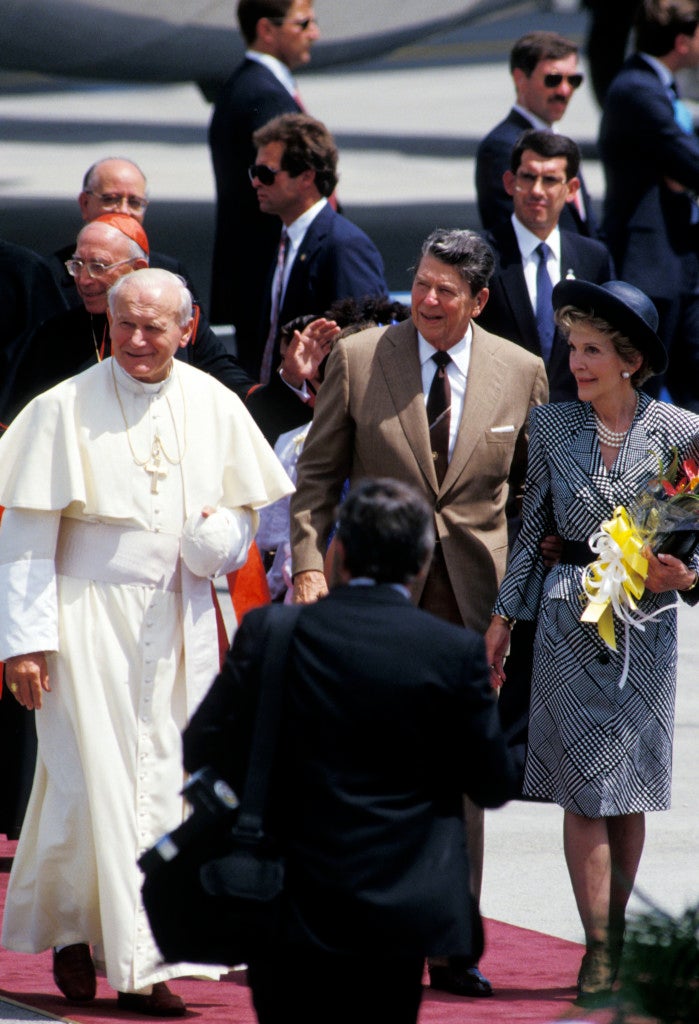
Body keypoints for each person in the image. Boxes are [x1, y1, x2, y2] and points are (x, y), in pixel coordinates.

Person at [0, 268, 293, 1014]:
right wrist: (24, 643)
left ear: (186, 329)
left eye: (153, 326)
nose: (136, 339)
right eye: (125, 324)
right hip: (83, 616)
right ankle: (118, 952)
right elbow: (27, 539)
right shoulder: (62, 408)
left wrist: (214, 540)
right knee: (87, 779)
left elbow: (242, 520)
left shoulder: (215, 404)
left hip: (180, 617)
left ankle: (122, 940)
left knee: (164, 783)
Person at [290, 228, 548, 998]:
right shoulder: (362, 357)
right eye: (422, 284)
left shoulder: (521, 371)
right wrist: (308, 568)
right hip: (371, 595)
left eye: (446, 290)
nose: (428, 300)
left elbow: (532, 500)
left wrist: (512, 608)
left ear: (478, 299)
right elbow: (317, 479)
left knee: (459, 778)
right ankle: (352, 925)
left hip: (471, 605)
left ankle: (451, 942)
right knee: (360, 765)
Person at [183, 478, 517, 1024]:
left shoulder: (273, 631)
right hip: (398, 905)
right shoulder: (451, 652)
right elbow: (492, 782)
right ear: (420, 562)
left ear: (337, 553)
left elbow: (201, 747)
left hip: (286, 897)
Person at [484, 278, 699, 1004]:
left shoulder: (680, 435)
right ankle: (600, 952)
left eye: (593, 350)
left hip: (645, 626)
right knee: (582, 794)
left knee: (626, 791)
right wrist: (502, 617)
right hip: (565, 622)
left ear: (629, 360)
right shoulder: (549, 428)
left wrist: (685, 576)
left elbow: (686, 536)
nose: (576, 363)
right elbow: (526, 536)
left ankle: (612, 936)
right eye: (572, 347)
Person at [0, 214, 254, 426]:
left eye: (98, 267)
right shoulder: (53, 335)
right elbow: (17, 422)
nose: (84, 280)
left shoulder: (180, 321)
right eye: (77, 265)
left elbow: (234, 386)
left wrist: (288, 387)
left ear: (138, 268)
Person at [597, 0, 699, 409]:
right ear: (681, 42)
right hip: (650, 266)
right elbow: (690, 162)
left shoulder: (658, 89)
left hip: (680, 261)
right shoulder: (636, 90)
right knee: (643, 388)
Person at [208, 0, 320, 363]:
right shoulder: (265, 95)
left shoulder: (245, 83)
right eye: (302, 24)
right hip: (268, 277)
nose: (314, 34)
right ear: (266, 30)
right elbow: (292, 188)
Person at [249, 112, 388, 382]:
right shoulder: (281, 239)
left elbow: (364, 348)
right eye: (254, 172)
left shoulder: (345, 246)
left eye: (266, 173)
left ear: (306, 177)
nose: (256, 182)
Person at [479, 130, 614, 402]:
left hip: (574, 424)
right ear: (509, 182)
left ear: (571, 190)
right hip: (501, 420)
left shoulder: (593, 258)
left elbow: (609, 345)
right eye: (528, 177)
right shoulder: (481, 255)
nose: (537, 190)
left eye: (550, 180)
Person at [476, 31, 597, 238]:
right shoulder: (503, 147)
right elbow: (517, 234)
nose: (565, 90)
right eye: (553, 79)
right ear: (520, 78)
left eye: (574, 81)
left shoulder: (561, 142)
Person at [48, 157, 196, 308]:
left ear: (140, 267)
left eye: (134, 202)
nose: (123, 210)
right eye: (110, 199)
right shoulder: (50, 275)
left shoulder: (169, 272)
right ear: (85, 204)